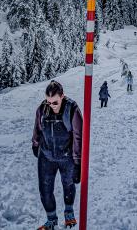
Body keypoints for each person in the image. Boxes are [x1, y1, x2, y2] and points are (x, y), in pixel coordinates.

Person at [32, 80, 83, 230]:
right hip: (46, 156)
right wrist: (35, 144)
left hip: (66, 156)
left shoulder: (72, 109)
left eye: (54, 102)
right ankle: (51, 220)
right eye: (48, 102)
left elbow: (78, 137)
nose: (51, 105)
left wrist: (78, 162)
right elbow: (37, 128)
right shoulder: (42, 108)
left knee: (68, 185)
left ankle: (69, 212)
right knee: (45, 189)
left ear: (62, 96)